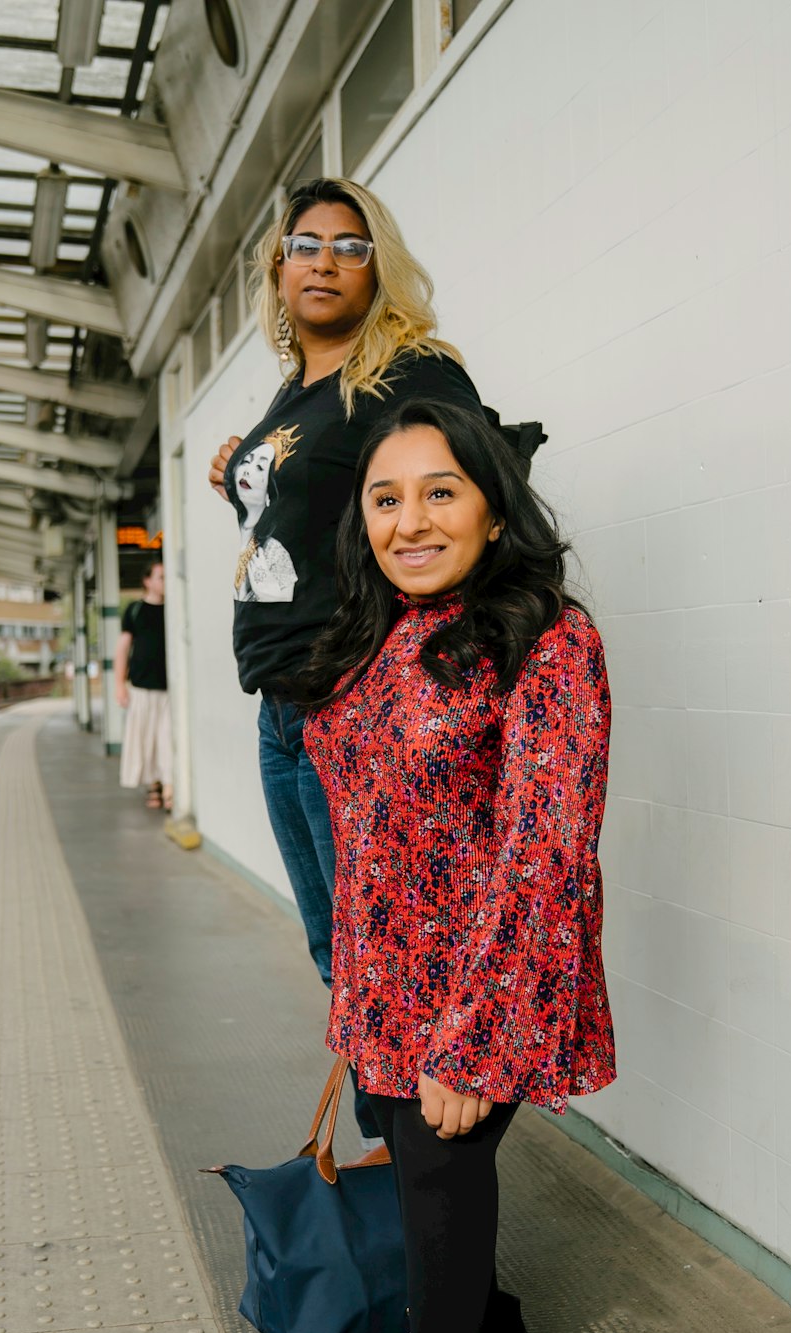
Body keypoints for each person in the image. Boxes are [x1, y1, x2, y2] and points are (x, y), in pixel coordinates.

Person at [294, 399, 616, 1333]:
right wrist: (352, 984)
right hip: (382, 981)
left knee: (440, 1184)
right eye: (387, 498)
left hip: (480, 987)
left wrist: (473, 1042)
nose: (410, 520)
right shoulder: (376, 628)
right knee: (423, 1185)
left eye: (441, 492)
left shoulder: (547, 637)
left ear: (492, 507)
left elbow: (543, 851)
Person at [208, 177, 537, 1144]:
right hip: (281, 709)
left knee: (392, 967)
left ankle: (431, 1226)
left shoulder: (410, 372)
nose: (325, 262)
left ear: (376, 265)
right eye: (306, 245)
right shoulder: (298, 391)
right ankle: (413, 1219)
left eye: (349, 246)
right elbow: (318, 521)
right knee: (342, 960)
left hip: (349, 707)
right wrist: (243, 470)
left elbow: (479, 491)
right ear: (278, 267)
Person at [115, 556, 172, 811]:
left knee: (167, 738)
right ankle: (153, 785)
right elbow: (122, 648)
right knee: (145, 739)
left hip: (169, 689)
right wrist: (119, 684)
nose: (165, 582)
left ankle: (169, 785)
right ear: (147, 581)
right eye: (161, 577)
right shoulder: (134, 610)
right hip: (141, 686)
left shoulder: (173, 608)